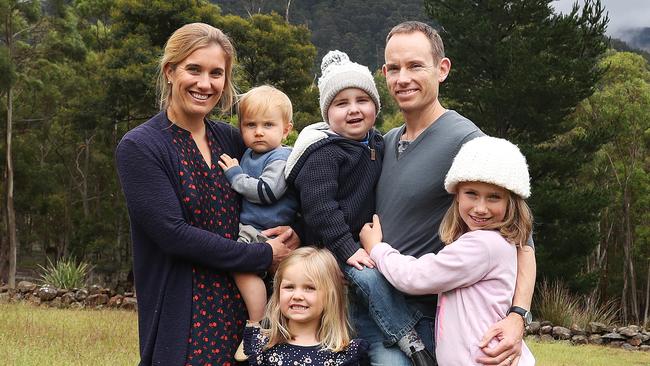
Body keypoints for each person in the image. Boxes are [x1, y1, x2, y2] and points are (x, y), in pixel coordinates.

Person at [115, 23, 297, 365]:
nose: (205, 83)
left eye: (217, 73)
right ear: (170, 71)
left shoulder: (234, 139)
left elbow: (282, 191)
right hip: (187, 315)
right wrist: (261, 255)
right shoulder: (141, 147)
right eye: (193, 69)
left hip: (251, 313)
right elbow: (173, 235)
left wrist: (293, 233)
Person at [361, 21, 537, 365]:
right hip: (373, 302)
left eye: (415, 66)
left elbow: (522, 240)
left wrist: (518, 316)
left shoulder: (467, 141)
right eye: (394, 68)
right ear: (384, 73)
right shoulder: (387, 140)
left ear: (442, 69)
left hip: (420, 317)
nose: (403, 78)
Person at [285, 50, 433, 365]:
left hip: (364, 249)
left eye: (362, 101)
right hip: (336, 251)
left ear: (375, 107)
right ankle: (409, 336)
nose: (353, 110)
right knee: (369, 279)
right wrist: (347, 248)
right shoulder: (323, 153)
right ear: (327, 114)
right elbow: (319, 207)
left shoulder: (377, 144)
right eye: (341, 103)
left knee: (371, 289)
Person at [361, 136, 536, 365]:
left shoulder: (482, 246)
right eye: (471, 193)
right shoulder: (497, 243)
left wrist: (377, 248)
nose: (481, 208)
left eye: (494, 197)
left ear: (511, 203)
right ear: (456, 195)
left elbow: (416, 277)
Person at [217, 85, 298, 360]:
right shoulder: (250, 154)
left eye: (268, 124)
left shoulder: (281, 156)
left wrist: (235, 176)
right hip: (253, 229)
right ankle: (268, 326)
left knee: (242, 267)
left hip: (268, 230)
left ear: (286, 130)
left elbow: (268, 191)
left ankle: (255, 325)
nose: (258, 131)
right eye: (250, 125)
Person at [242, 246, 369, 365]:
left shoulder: (344, 356)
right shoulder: (263, 347)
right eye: (289, 287)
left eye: (309, 288)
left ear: (330, 296)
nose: (297, 296)